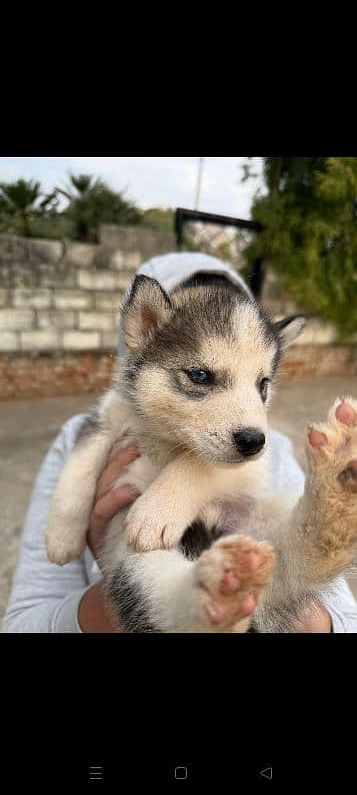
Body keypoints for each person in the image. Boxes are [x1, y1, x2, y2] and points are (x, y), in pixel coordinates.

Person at [2, 253, 357, 633]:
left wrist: (185, 481)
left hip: (250, 555)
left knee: (282, 513)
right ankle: (196, 606)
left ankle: (319, 529)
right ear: (146, 328)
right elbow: (22, 621)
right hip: (165, 584)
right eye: (202, 376)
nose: (253, 424)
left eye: (260, 384)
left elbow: (344, 622)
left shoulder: (277, 447)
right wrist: (70, 518)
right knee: (140, 554)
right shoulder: (108, 414)